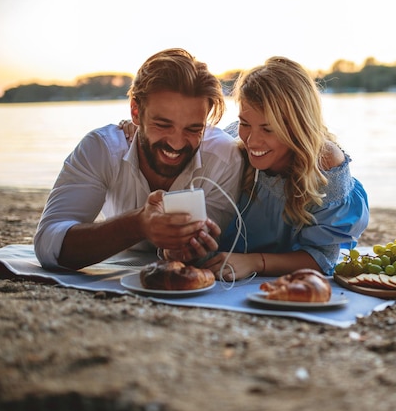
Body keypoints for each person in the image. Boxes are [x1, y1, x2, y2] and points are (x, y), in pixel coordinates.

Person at [34, 48, 244, 270]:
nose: (177, 143)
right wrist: (136, 225)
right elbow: (48, 243)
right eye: (163, 125)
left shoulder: (224, 158)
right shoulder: (101, 149)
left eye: (193, 129)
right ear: (135, 111)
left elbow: (204, 245)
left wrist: (181, 249)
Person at [203, 56, 369, 281]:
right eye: (245, 123)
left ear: (298, 126)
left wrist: (255, 262)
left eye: (268, 129)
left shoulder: (325, 162)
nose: (252, 140)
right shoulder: (231, 145)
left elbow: (323, 258)